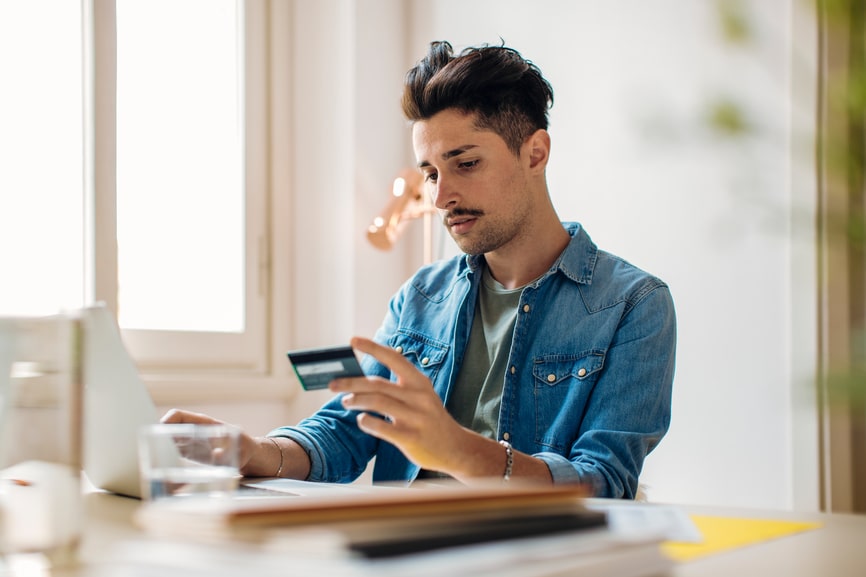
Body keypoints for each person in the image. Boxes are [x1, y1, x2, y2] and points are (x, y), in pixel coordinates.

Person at [164, 40, 676, 499]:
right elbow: (347, 431)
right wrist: (252, 451)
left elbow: (605, 482)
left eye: (465, 163)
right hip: (404, 549)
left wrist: (458, 451)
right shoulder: (421, 296)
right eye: (430, 172)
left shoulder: (633, 304)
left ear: (535, 153)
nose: (440, 196)